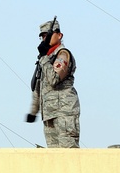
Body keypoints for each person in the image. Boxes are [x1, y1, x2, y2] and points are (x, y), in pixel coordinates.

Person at [25, 18, 80, 148]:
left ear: (59, 35)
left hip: (64, 113)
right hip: (49, 115)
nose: (45, 39)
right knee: (54, 158)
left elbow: (54, 79)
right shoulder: (46, 60)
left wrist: (44, 58)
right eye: (43, 36)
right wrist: (33, 112)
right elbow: (38, 88)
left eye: (48, 35)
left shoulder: (62, 54)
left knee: (68, 155)